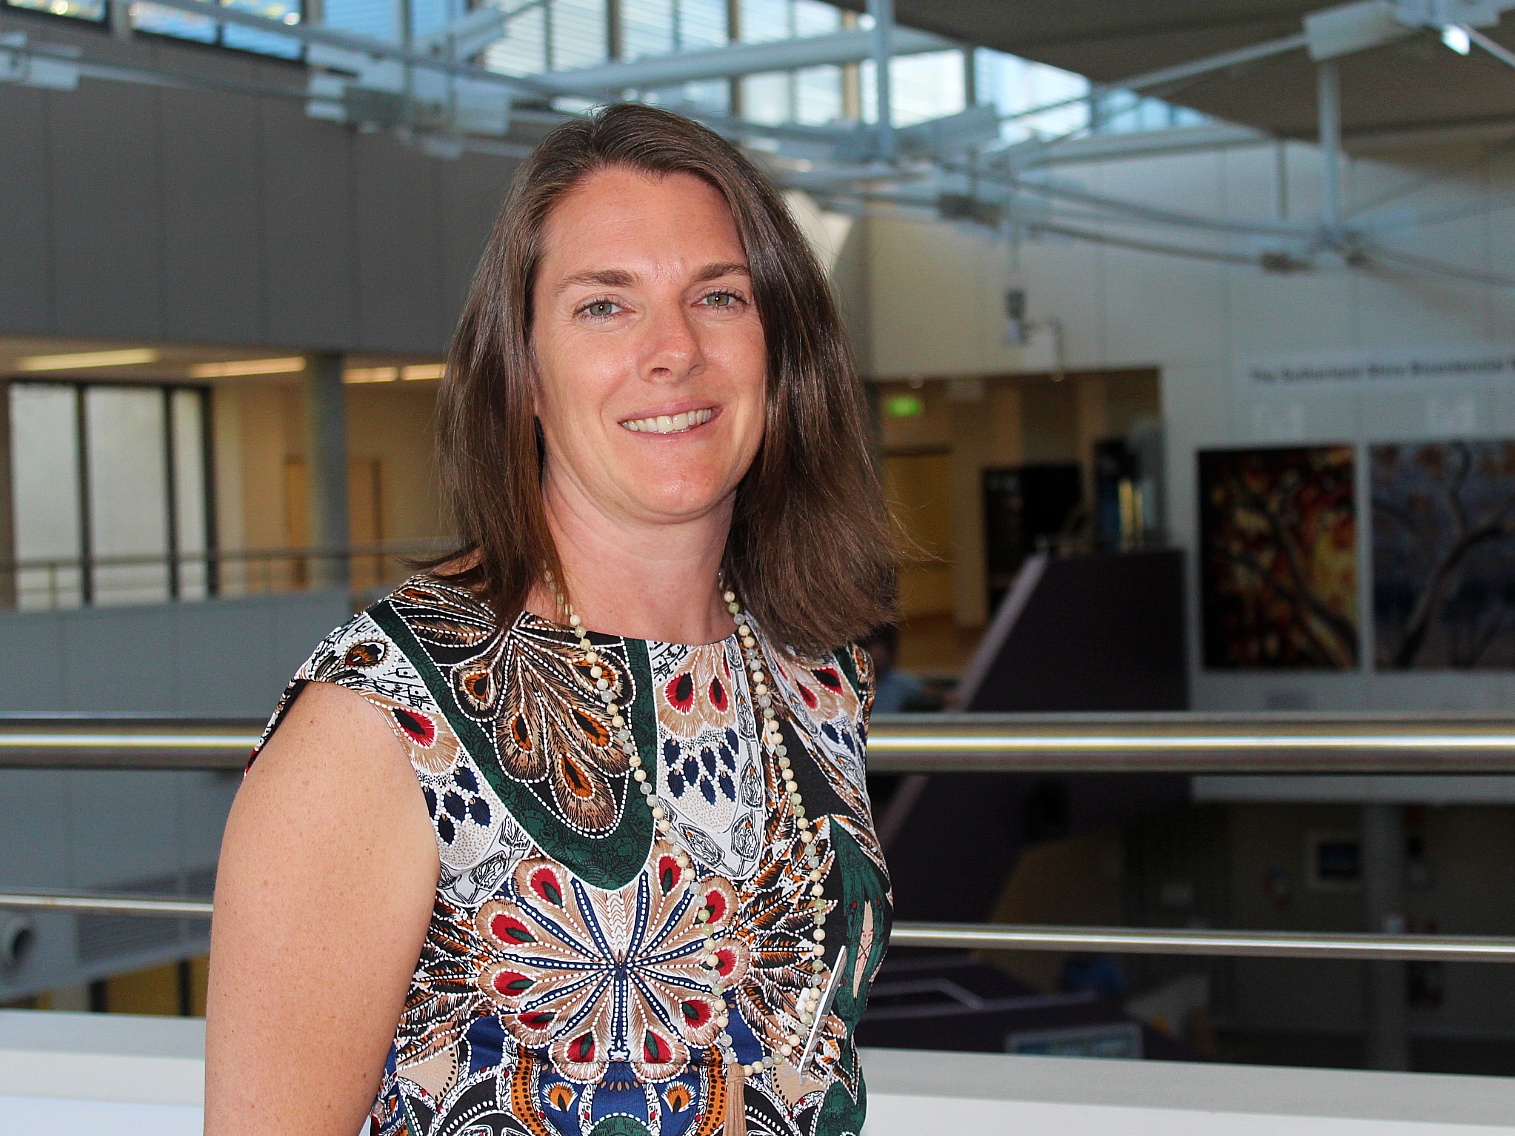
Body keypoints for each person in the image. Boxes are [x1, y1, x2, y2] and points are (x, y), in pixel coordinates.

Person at [204, 103, 897, 1136]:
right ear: (522, 370)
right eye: (604, 307)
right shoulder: (382, 719)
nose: (674, 351)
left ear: (780, 347)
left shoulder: (814, 674)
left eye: (718, 295)